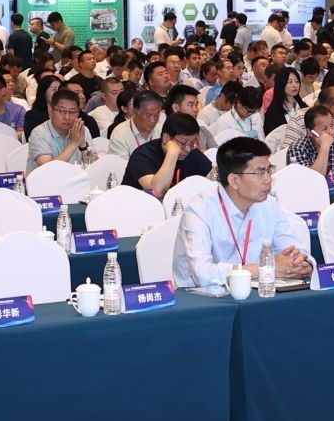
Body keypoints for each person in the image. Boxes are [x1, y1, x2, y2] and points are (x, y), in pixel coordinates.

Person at [172, 137, 315, 288]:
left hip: (257, 292)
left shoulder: (269, 204)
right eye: (260, 173)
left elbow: (296, 251)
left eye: (269, 170)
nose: (269, 179)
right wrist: (266, 268)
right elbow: (203, 275)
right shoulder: (199, 211)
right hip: (203, 298)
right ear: (234, 180)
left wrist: (303, 264)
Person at [124, 110, 211, 198]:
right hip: (136, 204)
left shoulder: (191, 152)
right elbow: (157, 192)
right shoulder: (142, 156)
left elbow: (212, 178)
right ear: (166, 138)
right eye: (183, 143)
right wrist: (172, 153)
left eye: (192, 143)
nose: (187, 149)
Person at [26, 87, 97, 169]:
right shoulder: (39, 133)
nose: (67, 117)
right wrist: (73, 144)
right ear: (50, 110)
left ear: (78, 114)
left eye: (72, 112)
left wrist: (83, 146)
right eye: (62, 111)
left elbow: (93, 166)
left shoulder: (81, 130)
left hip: (75, 177)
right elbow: (47, 169)